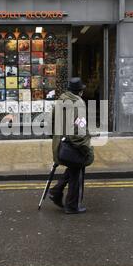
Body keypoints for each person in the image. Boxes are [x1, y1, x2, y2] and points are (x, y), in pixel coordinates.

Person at [49, 77, 94, 214]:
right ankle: (72, 205)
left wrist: (57, 139)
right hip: (73, 146)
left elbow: (51, 124)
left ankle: (56, 191)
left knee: (73, 169)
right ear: (80, 91)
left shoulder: (61, 100)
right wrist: (86, 149)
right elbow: (77, 132)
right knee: (78, 171)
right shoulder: (78, 104)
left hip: (60, 145)